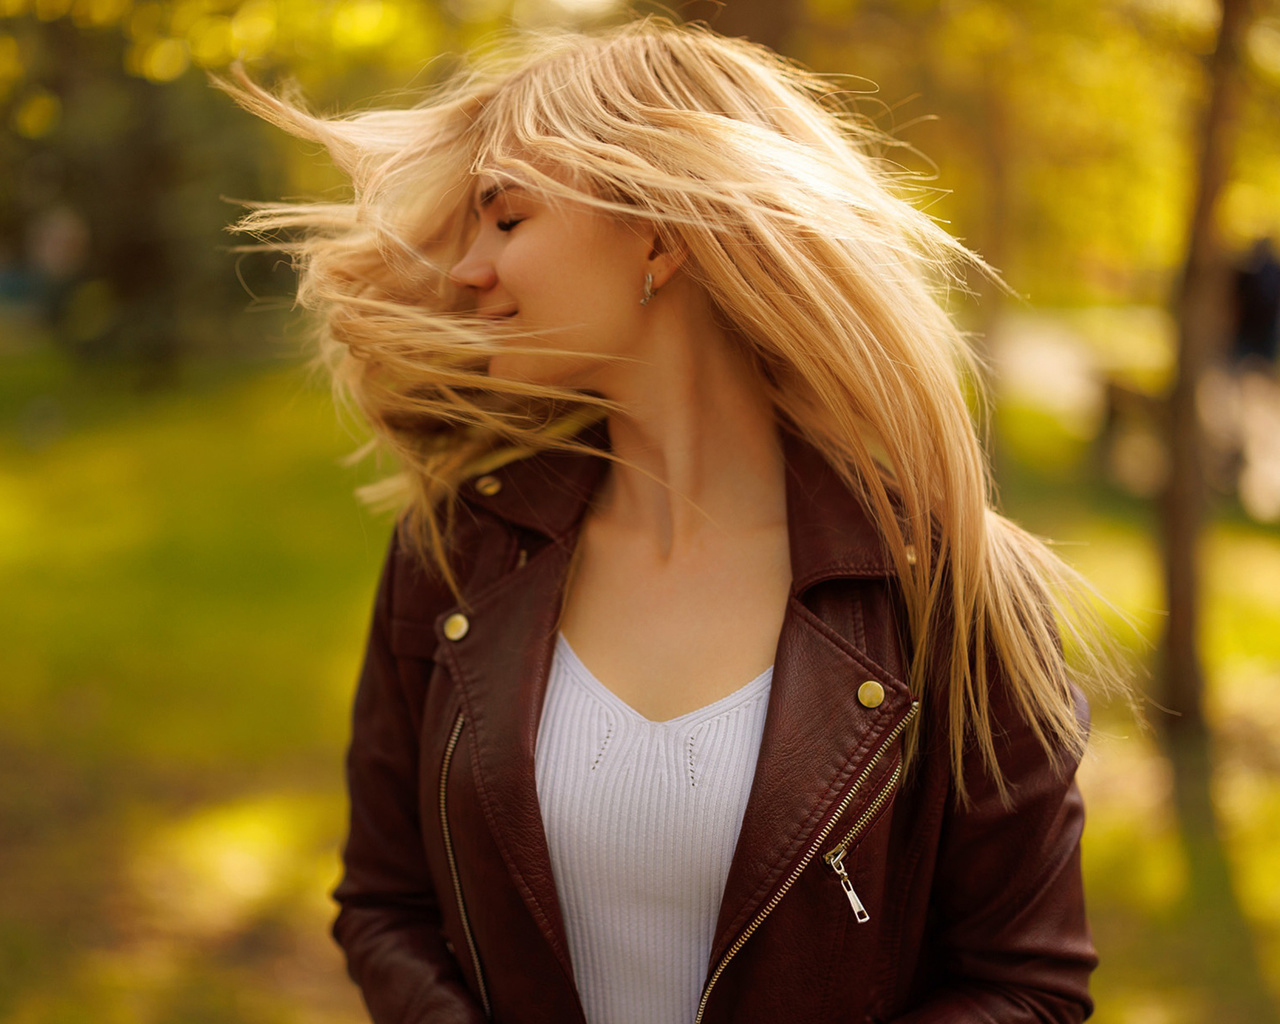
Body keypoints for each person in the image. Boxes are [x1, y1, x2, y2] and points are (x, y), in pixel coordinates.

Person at [225, 17, 1120, 1023]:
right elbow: (386, 905)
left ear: (658, 233)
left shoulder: (946, 591)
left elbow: (1023, 986)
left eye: (506, 220)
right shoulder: (452, 555)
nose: (467, 270)